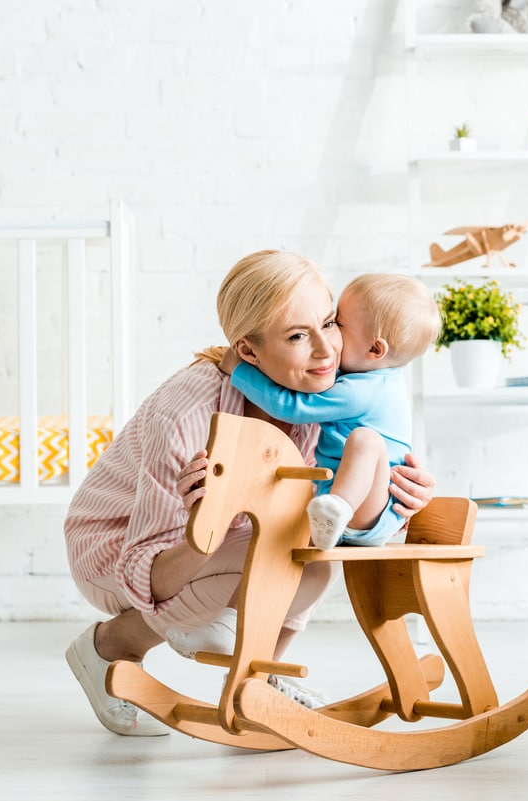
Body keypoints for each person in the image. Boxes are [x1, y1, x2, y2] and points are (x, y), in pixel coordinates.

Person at [63, 250, 436, 737]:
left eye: (330, 322)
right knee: (273, 554)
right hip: (119, 549)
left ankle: (254, 679)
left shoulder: (329, 389)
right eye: (298, 336)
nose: (326, 351)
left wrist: (400, 492)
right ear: (250, 352)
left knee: (312, 552)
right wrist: (204, 528)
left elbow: (357, 467)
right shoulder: (188, 414)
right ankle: (109, 647)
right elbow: (143, 565)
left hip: (228, 535)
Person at [165, 273, 440, 660]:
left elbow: (293, 406)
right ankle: (229, 628)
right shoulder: (367, 376)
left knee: (365, 441)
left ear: (376, 349)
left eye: (336, 325)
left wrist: (239, 370)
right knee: (294, 556)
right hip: (348, 506)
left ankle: (336, 508)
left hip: (368, 509)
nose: (328, 342)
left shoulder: (367, 387)